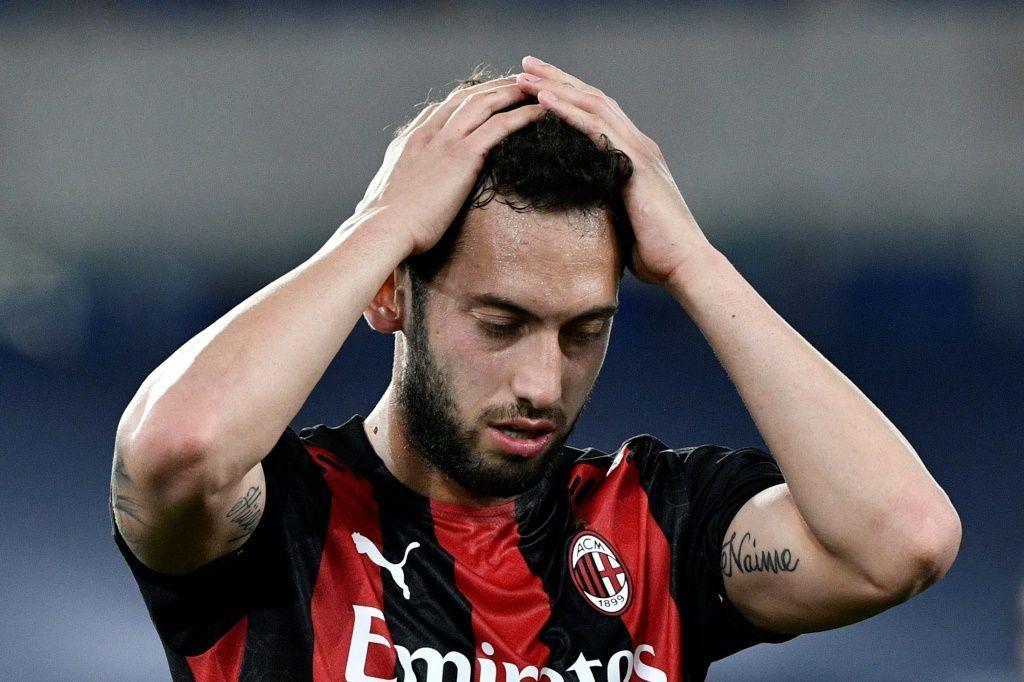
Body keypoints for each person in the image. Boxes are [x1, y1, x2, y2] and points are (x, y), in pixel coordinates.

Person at [110, 56, 961, 681]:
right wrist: (381, 227)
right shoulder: (279, 523)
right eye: (501, 322)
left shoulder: (656, 527)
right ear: (388, 297)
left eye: (583, 331)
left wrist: (696, 262)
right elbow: (177, 447)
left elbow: (904, 540)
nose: (542, 385)